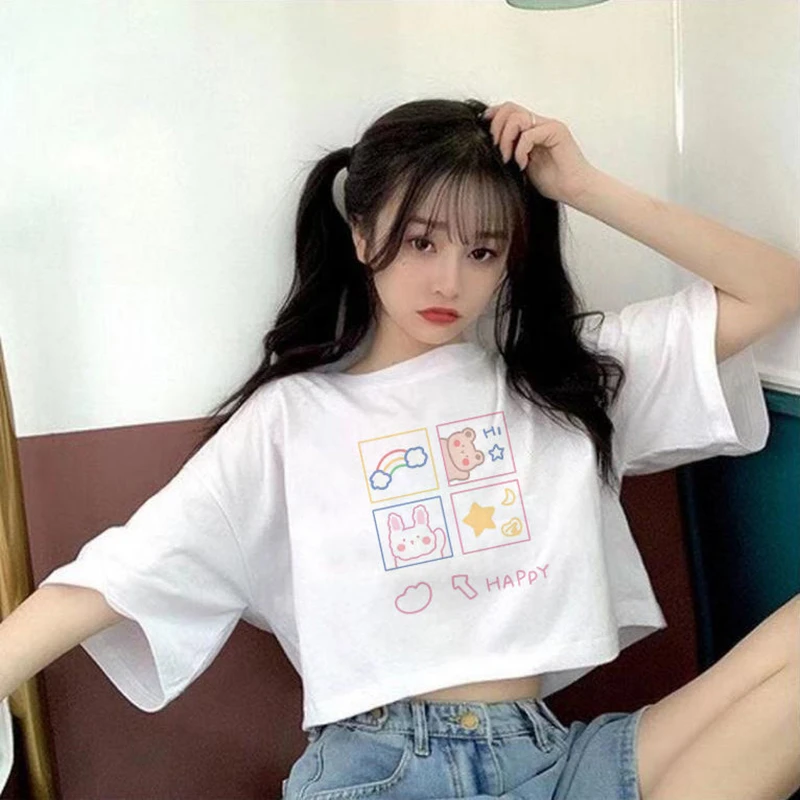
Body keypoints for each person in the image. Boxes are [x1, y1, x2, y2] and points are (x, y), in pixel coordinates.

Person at [1, 97, 798, 800]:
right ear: (361, 233)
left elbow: (773, 287)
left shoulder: (560, 384)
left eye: (483, 251)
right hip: (385, 771)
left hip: (547, 758)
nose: (450, 281)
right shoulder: (293, 419)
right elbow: (118, 574)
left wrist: (581, 187)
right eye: (421, 243)